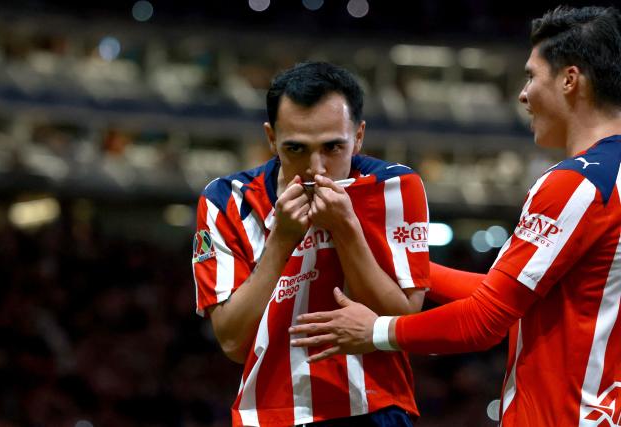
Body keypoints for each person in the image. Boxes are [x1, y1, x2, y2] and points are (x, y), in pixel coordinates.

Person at [289, 6, 621, 427]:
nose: (523, 94)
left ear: (570, 80)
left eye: (532, 76)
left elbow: (486, 321)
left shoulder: (579, 183)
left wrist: (375, 332)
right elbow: (505, 295)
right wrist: (401, 263)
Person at [192, 62, 430, 426]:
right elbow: (233, 343)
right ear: (271, 139)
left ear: (360, 135)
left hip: (375, 410)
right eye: (296, 149)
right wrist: (282, 239)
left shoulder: (395, 188)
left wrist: (346, 228)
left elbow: (403, 325)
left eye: (333, 147)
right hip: (268, 415)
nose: (316, 168)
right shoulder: (225, 200)